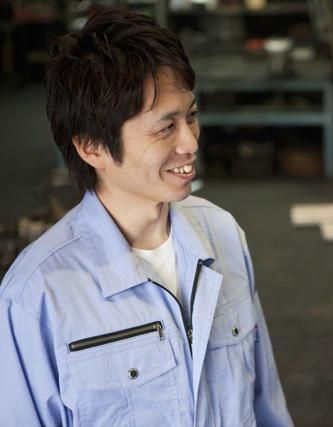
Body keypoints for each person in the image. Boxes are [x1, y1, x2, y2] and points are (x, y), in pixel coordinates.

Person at [0, 6, 293, 426]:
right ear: (91, 147)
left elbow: (265, 404)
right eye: (165, 127)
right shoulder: (37, 296)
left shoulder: (222, 234)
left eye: (191, 116)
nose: (190, 142)